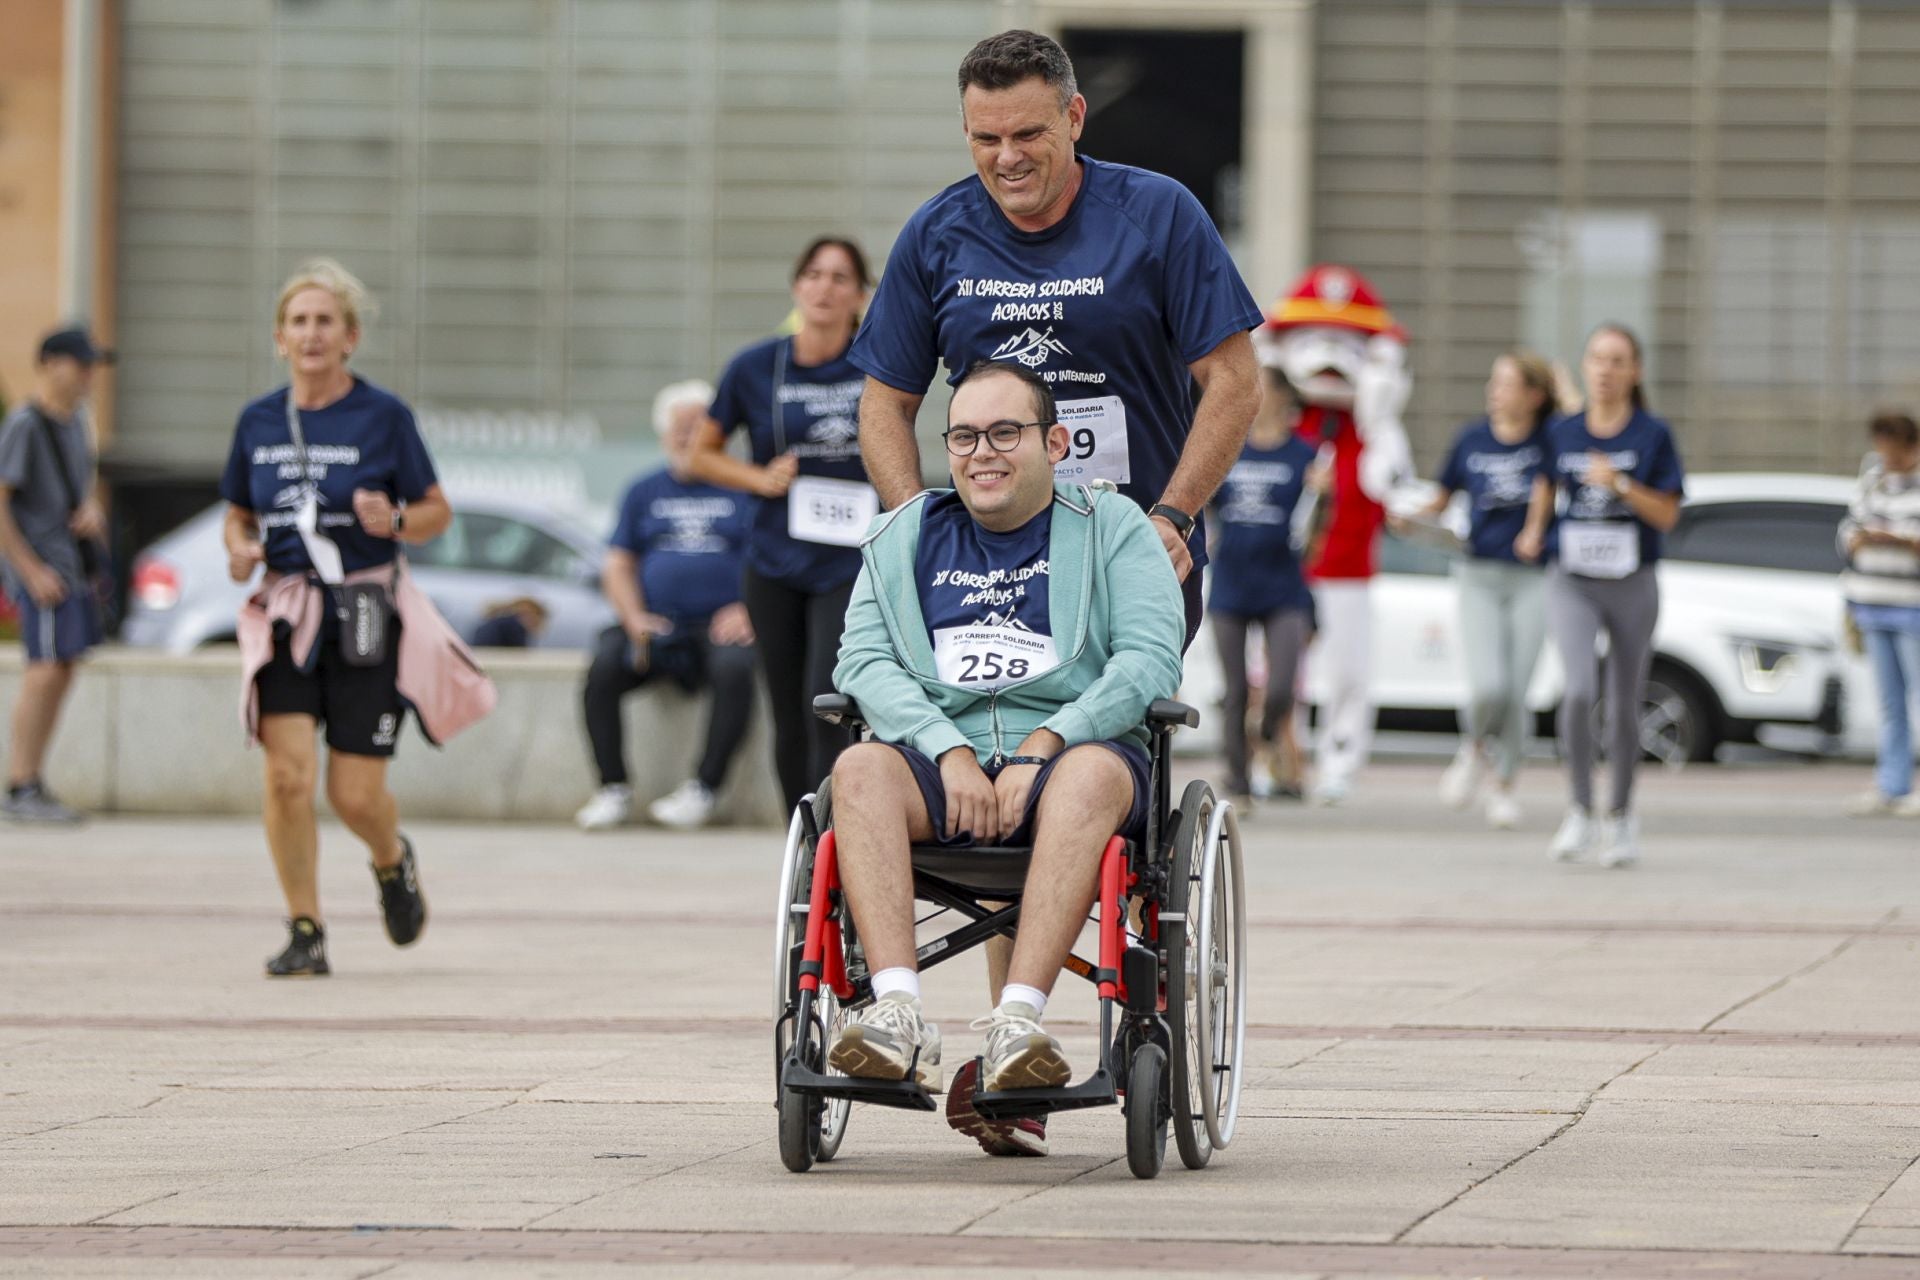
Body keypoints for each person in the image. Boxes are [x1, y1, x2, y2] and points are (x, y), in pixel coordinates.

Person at [828, 360, 1183, 1159]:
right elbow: (862, 661)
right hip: (938, 760)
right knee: (855, 770)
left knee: (1093, 772)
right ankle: (894, 1014)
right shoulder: (902, 533)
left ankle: (1016, 1023)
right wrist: (946, 748)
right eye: (962, 436)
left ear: (1056, 441)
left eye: (1004, 433)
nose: (980, 452)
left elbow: (1150, 659)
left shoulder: (1114, 526)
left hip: (1071, 758)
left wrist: (1049, 740)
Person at [849, 28, 1263, 651]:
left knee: (1101, 742)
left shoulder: (1159, 213)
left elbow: (1235, 381)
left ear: (1073, 118)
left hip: (1131, 545)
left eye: (1027, 134)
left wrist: (1173, 517)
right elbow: (884, 401)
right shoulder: (936, 233)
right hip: (985, 561)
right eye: (985, 139)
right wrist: (913, 524)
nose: (1006, 157)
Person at [222, 258, 494, 977]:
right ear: (280, 338)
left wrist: (397, 516)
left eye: (325, 322)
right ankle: (305, 928)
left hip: (367, 615)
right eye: (299, 322)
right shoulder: (256, 421)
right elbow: (237, 511)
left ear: (349, 337)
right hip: (286, 611)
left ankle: (389, 857)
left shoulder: (383, 416)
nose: (312, 334)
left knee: (354, 793)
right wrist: (239, 548)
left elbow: (437, 513)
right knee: (285, 777)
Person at [684, 238, 872, 814]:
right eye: (813, 274)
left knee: (827, 700)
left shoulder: (879, 363)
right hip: (773, 561)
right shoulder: (755, 366)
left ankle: (840, 831)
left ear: (860, 295)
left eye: (840, 277)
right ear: (796, 287)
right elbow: (700, 454)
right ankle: (803, 841)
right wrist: (758, 479)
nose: (825, 287)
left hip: (848, 560)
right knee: (787, 710)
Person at [1516, 323, 1684, 868]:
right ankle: (1580, 811)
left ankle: (1621, 816)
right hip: (1573, 578)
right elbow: (1546, 483)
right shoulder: (1563, 431)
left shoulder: (1652, 435)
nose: (1606, 371)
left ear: (1635, 372)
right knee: (1578, 689)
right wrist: (1534, 529)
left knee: (1624, 706)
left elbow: (1668, 513)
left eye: (1617, 361)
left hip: (1632, 581)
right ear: (1585, 368)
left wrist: (1620, 484)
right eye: (1597, 359)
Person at [576, 380, 758, 832]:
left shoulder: (743, 488)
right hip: (655, 626)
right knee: (602, 669)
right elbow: (617, 564)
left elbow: (770, 561)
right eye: (680, 428)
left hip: (719, 628)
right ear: (663, 435)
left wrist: (748, 609)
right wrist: (634, 617)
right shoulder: (644, 491)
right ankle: (612, 788)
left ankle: (704, 789)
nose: (688, 436)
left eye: (699, 427)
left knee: (737, 670)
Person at [1412, 351, 1558, 829]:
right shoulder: (1472, 439)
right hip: (1478, 575)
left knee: (1517, 691)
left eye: (1507, 384)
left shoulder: (1549, 440)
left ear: (1534, 395)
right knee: (1489, 685)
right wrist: (1409, 516)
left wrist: (1566, 382)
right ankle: (1474, 747)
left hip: (1531, 578)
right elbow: (1442, 497)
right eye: (1494, 382)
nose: (1494, 391)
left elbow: (1576, 438)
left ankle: (1504, 785)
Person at [0, 327, 111, 823]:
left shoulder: (77, 421)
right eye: (79, 363)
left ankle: (33, 781)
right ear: (49, 363)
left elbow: (79, 486)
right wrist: (29, 570)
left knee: (62, 670)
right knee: (43, 671)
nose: (88, 375)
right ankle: (19, 786)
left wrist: (89, 509)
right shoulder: (24, 424)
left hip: (70, 567)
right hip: (42, 569)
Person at [1207, 372, 1316, 803]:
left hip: (1283, 583)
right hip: (1231, 581)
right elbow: (1206, 509)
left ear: (1286, 396)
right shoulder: (1230, 447)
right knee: (1234, 689)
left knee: (1282, 685)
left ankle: (1268, 733)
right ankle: (1238, 778)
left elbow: (1314, 534)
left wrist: (1322, 496)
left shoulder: (1305, 455)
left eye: (1267, 386)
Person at [1838, 410, 1920, 817]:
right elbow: (1848, 526)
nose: (1888, 456)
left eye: (1895, 449)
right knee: (1890, 702)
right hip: (1872, 601)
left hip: (1913, 604)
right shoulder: (1871, 479)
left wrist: (1901, 541)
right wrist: (1859, 538)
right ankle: (1892, 784)